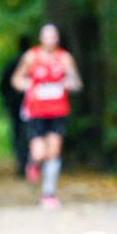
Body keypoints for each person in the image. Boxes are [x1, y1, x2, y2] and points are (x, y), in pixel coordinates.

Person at [11, 23, 82, 209]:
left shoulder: (64, 58)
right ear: (41, 38)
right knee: (39, 152)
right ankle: (33, 164)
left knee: (54, 151)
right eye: (47, 36)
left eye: (54, 36)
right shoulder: (31, 57)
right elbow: (16, 79)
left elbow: (76, 82)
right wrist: (28, 85)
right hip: (36, 111)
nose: (50, 40)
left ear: (57, 38)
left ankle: (48, 194)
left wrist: (68, 83)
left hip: (58, 111)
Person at [0, 35, 33, 176]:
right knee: (29, 133)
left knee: (18, 133)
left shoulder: (12, 63)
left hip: (17, 104)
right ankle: (25, 163)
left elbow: (2, 85)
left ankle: (22, 162)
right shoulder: (32, 63)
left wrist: (7, 100)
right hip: (25, 104)